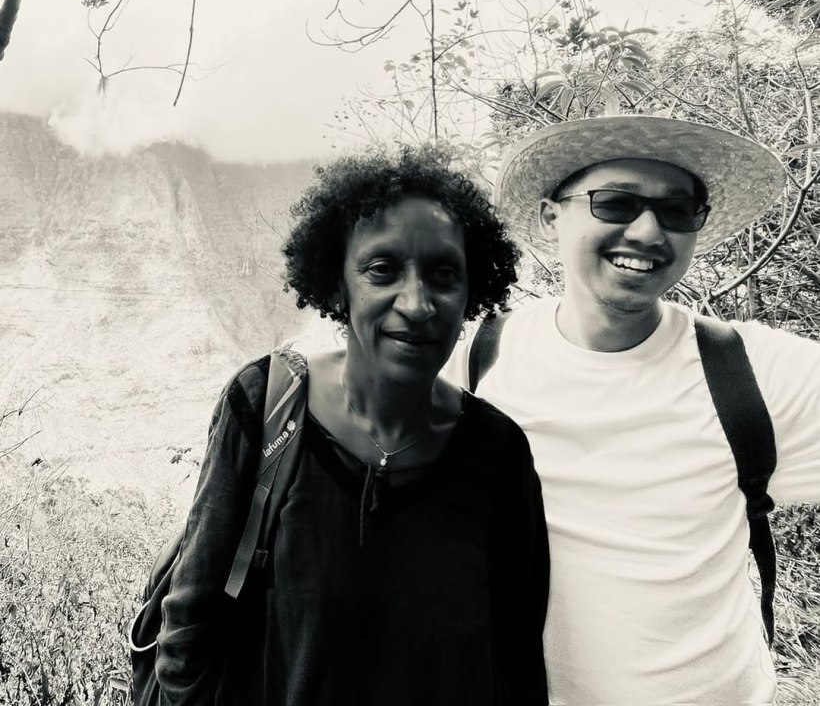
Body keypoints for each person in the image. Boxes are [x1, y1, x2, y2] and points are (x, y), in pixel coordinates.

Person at [155, 144, 549, 706]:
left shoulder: (499, 454)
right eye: (382, 270)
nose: (417, 303)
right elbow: (189, 629)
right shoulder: (266, 406)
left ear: (472, 291)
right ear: (338, 282)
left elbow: (516, 658)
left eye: (444, 274)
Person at [451, 114, 820, 706]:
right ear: (551, 217)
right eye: (616, 203)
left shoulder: (752, 373)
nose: (649, 232)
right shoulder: (474, 365)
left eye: (677, 211)